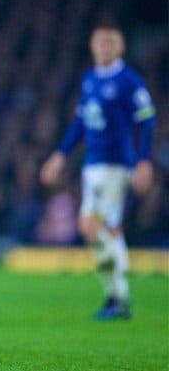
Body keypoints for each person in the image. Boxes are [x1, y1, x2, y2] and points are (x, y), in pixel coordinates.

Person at [40, 23, 156, 320]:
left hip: (116, 165)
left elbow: (147, 119)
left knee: (91, 226)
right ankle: (117, 297)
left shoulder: (128, 80)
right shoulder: (90, 78)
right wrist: (60, 155)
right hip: (92, 166)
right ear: (92, 45)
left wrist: (143, 160)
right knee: (102, 231)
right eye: (100, 42)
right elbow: (80, 122)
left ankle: (120, 295)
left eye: (110, 42)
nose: (104, 47)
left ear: (121, 47)